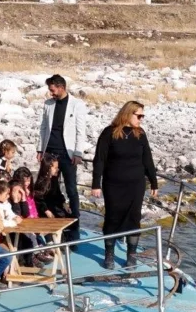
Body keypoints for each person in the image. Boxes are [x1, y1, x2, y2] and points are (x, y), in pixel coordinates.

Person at [91, 101, 159, 269]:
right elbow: (99, 159)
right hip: (113, 184)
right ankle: (109, 254)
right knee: (112, 217)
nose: (141, 119)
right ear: (128, 114)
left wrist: (154, 182)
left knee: (134, 218)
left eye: (143, 116)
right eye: (139, 115)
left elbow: (147, 159)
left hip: (136, 184)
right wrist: (95, 184)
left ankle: (131, 255)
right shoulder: (109, 133)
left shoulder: (140, 134)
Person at [36, 74, 89, 242]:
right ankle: (51, 224)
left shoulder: (77, 105)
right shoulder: (48, 104)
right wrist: (40, 149)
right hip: (49, 151)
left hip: (68, 153)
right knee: (48, 188)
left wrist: (78, 152)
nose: (50, 93)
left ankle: (74, 228)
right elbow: (43, 127)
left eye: (52, 90)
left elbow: (81, 130)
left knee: (71, 190)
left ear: (61, 87)